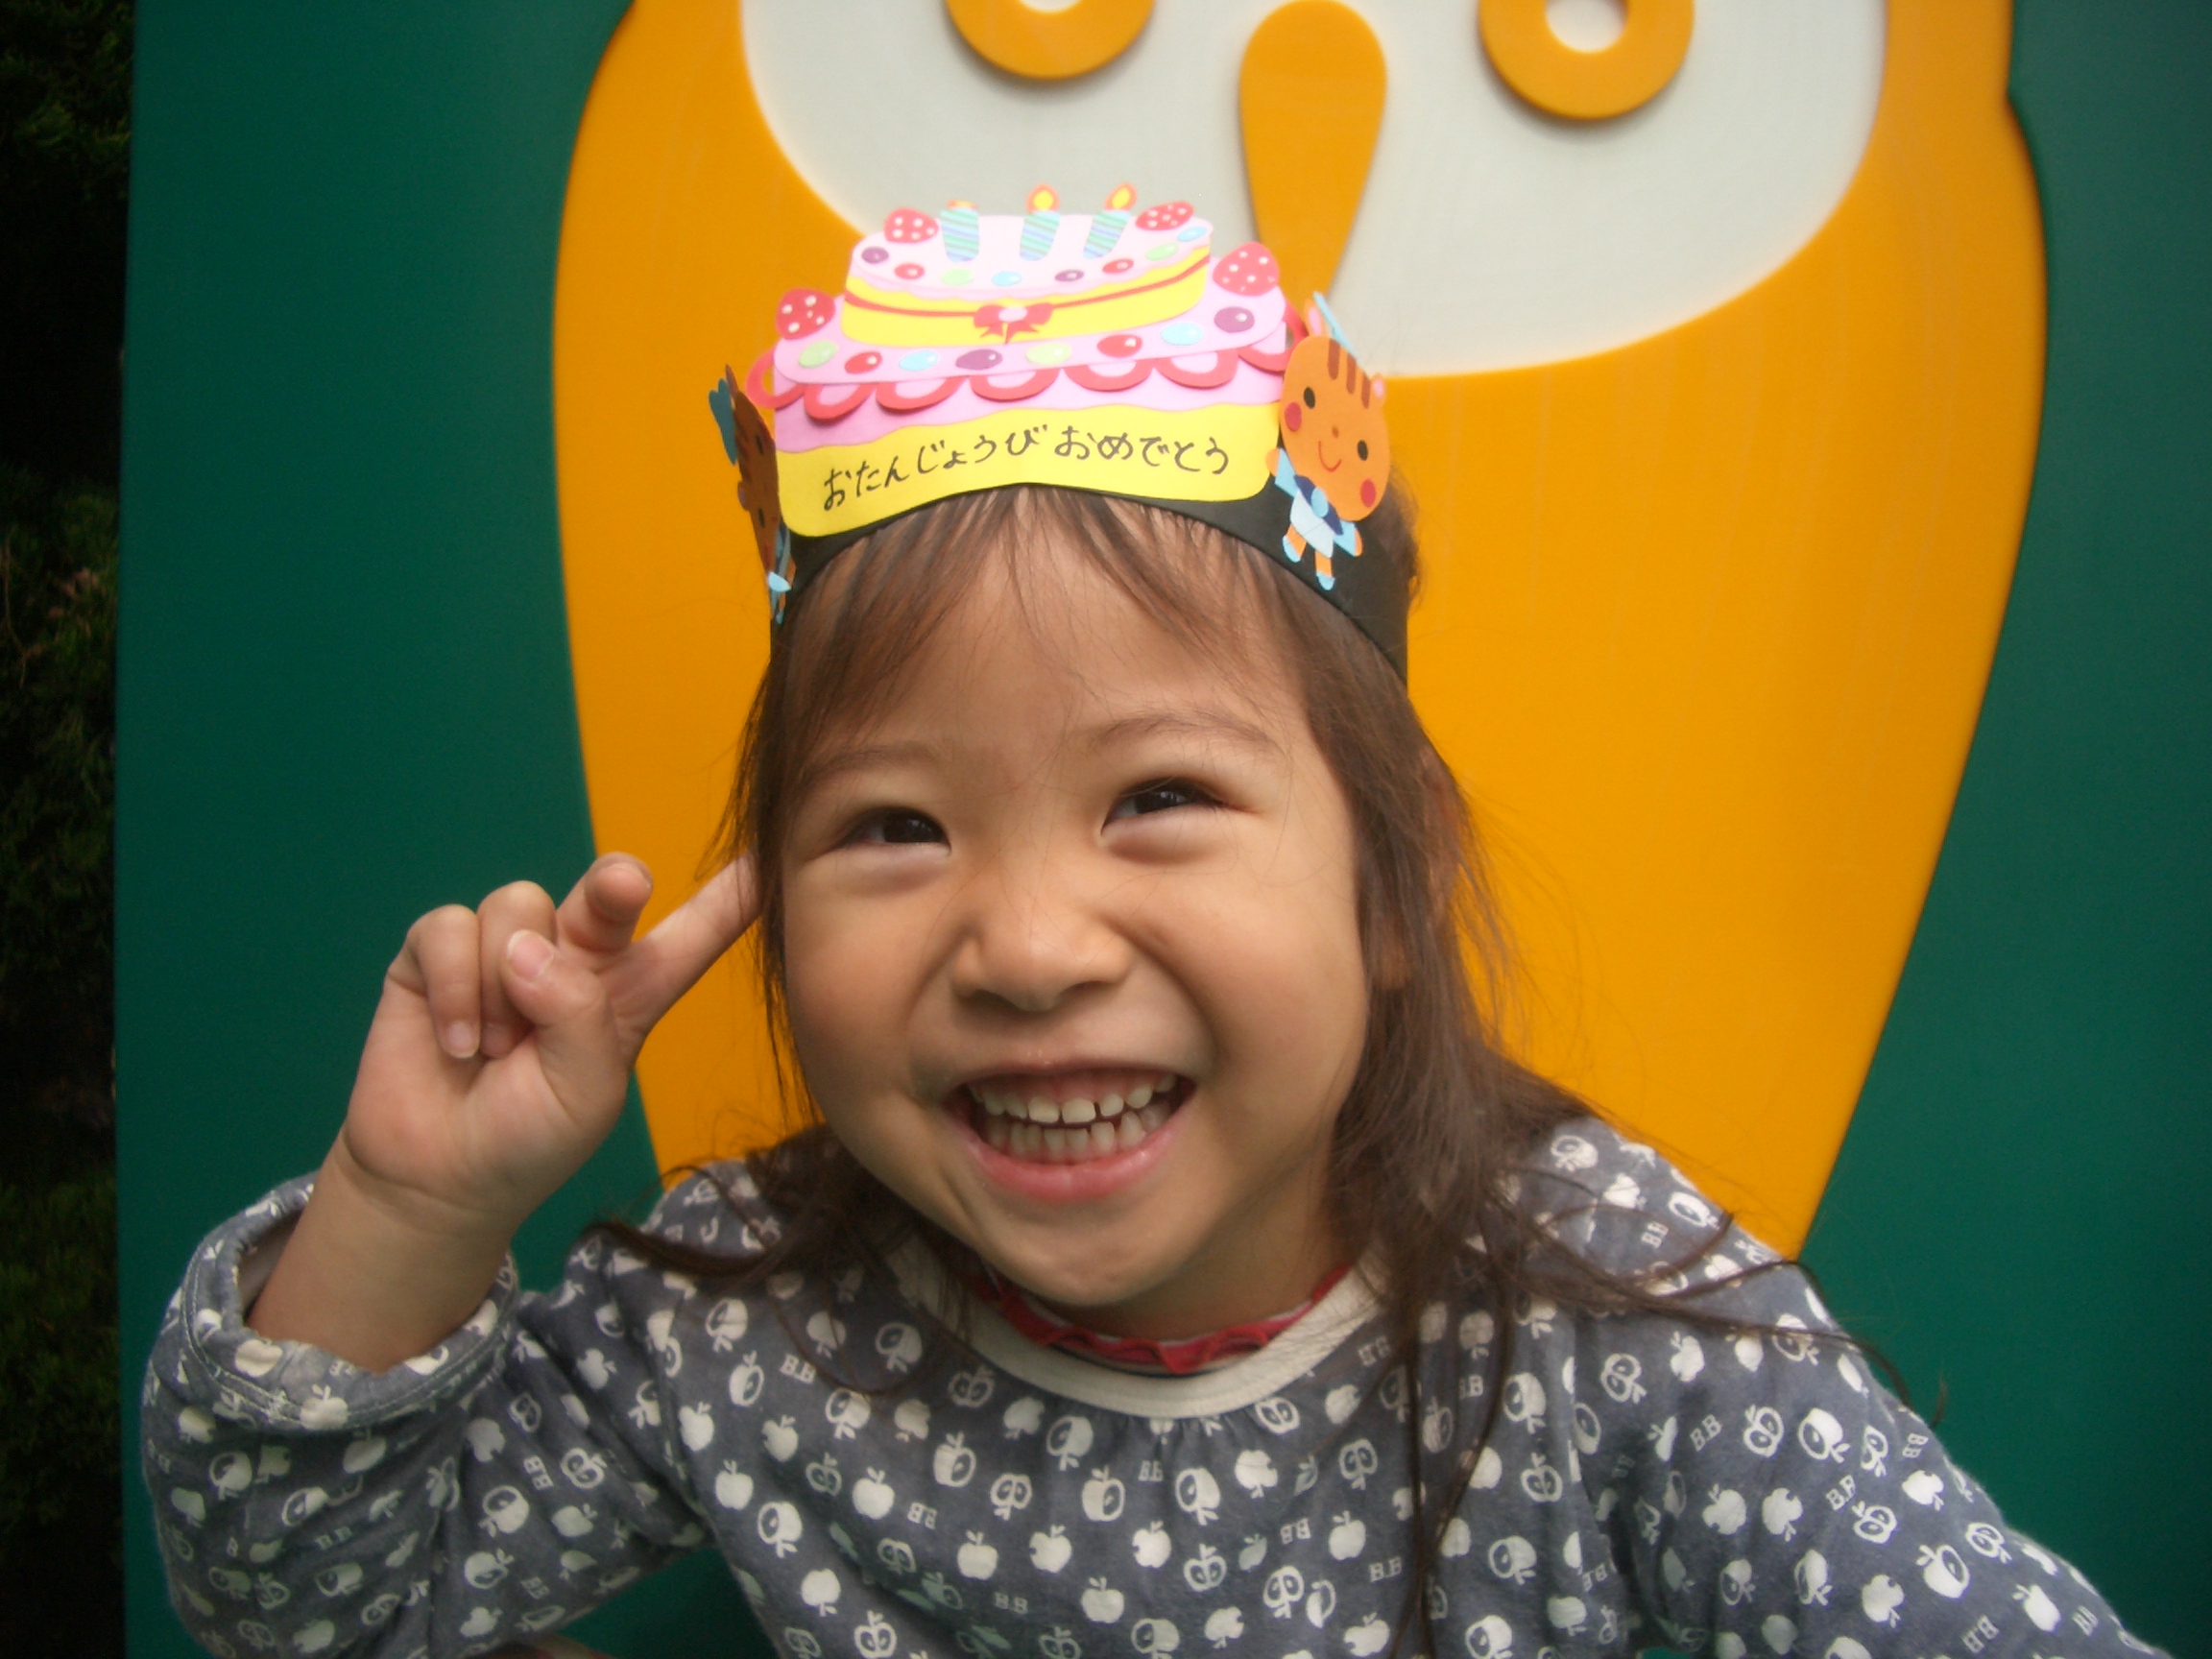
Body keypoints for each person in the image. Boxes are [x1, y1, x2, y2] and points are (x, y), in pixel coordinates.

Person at [144, 193, 2162, 1659]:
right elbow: (310, 1607)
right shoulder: (742, 1319)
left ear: (1389, 887)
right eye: (897, 826)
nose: (1029, 947)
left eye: (1161, 801)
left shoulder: (1601, 1316)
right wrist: (411, 1212)